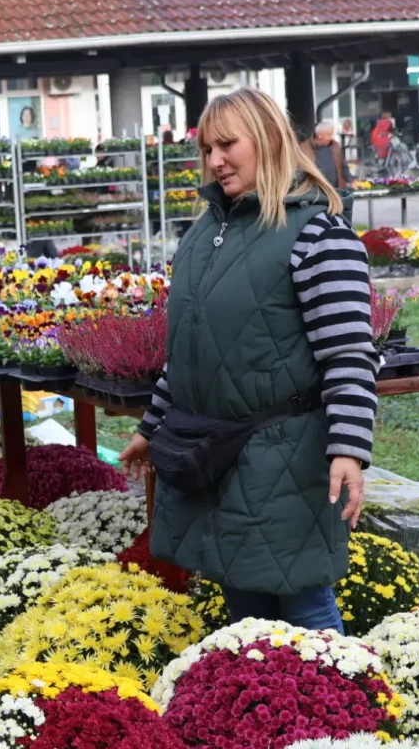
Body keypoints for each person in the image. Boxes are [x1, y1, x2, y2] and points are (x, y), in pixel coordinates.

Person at [118, 88, 377, 631]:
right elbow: (188, 351)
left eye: (228, 144)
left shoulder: (318, 235)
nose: (215, 160)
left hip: (283, 455)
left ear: (266, 140)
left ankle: (338, 708)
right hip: (216, 449)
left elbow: (349, 353)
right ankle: (267, 712)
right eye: (207, 147)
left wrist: (349, 450)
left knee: (304, 605)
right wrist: (153, 426)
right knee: (245, 605)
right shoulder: (204, 234)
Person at [299, 120, 352, 190]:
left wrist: (350, 180)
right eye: (329, 135)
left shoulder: (335, 145)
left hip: (336, 190)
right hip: (315, 192)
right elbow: (299, 171)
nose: (331, 138)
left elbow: (342, 164)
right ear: (319, 135)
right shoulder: (304, 148)